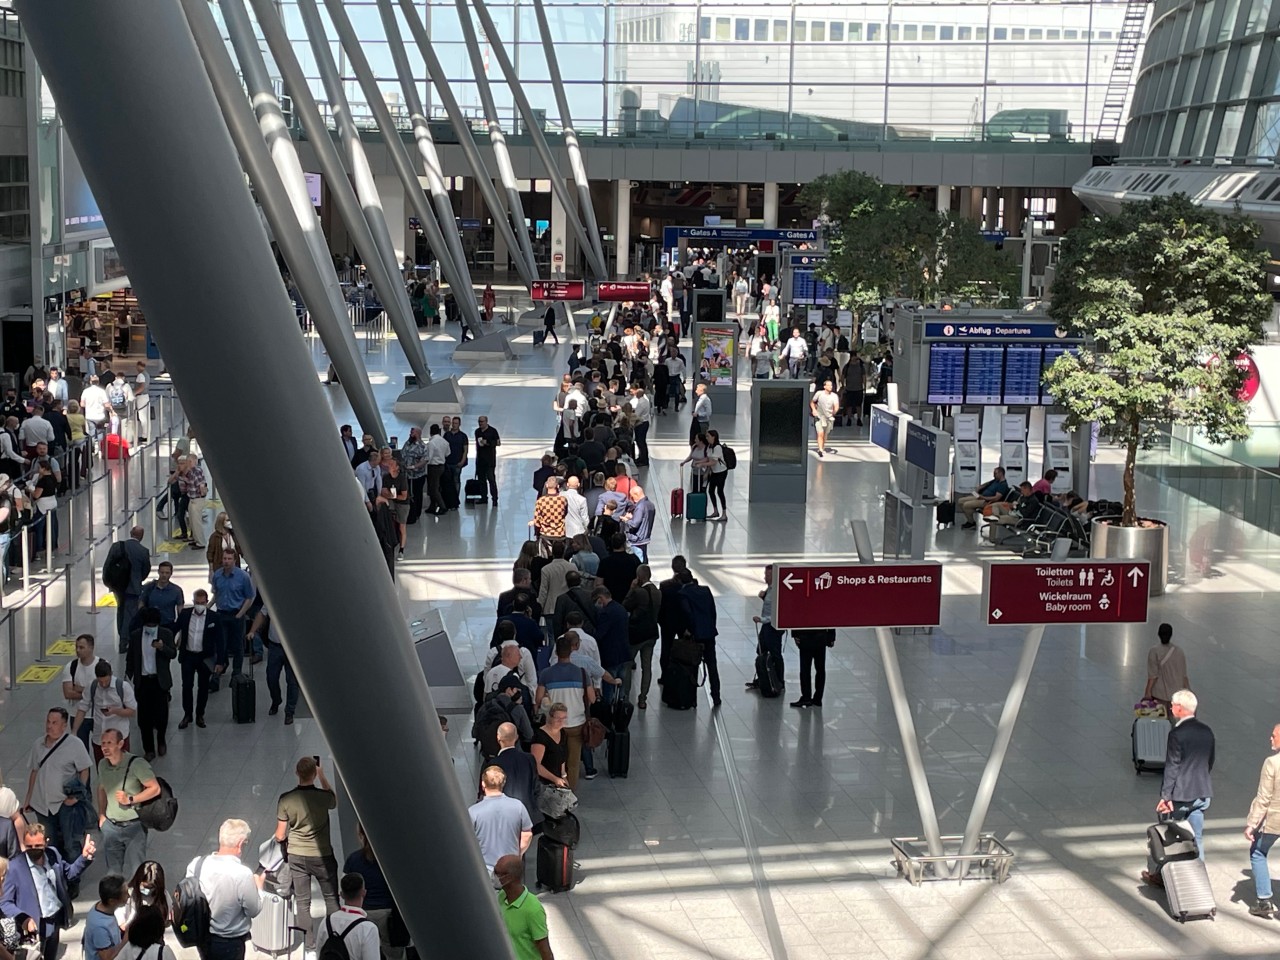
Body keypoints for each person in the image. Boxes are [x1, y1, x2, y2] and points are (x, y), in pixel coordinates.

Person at [1143, 689, 1215, 887]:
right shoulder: (1206, 730)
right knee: (1197, 836)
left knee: (1168, 835)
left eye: (1173, 705)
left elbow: (1172, 767)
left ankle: (1159, 874)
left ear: (1180, 709)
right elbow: (1210, 761)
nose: (1170, 707)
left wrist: (1166, 796)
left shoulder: (1177, 734)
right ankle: (1200, 877)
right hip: (1202, 792)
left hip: (1181, 795)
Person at [0, 823, 95, 960]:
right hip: (33, 928)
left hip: (55, 920)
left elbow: (68, 874)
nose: (33, 850)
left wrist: (84, 858)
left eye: (38, 846)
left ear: (46, 842)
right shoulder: (15, 868)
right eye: (29, 847)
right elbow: (5, 902)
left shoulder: (53, 854)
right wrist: (23, 918)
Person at [275, 757, 339, 951]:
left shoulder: (286, 799)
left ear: (296, 773)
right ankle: (334, 940)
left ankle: (309, 946)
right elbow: (333, 800)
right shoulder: (323, 797)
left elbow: (279, 835)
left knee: (303, 903)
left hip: (297, 856)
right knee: (331, 898)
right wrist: (322, 776)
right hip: (322, 855)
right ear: (313, 773)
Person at [186, 819, 265, 960]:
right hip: (230, 943)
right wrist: (259, 888)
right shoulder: (242, 874)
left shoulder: (196, 864)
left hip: (202, 937)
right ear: (240, 844)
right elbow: (253, 910)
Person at [22, 707, 92, 856]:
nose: (49, 726)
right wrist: (29, 798)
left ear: (64, 725)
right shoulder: (38, 744)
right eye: (48, 721)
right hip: (42, 804)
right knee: (48, 843)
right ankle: (54, 874)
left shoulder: (75, 744)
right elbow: (34, 771)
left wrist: (77, 796)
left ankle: (74, 876)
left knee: (71, 843)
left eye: (54, 722)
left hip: (65, 803)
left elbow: (84, 770)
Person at [95, 729, 159, 880]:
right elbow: (102, 788)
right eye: (103, 743)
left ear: (120, 744)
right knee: (113, 872)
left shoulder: (137, 764)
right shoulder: (103, 765)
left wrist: (130, 799)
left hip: (134, 825)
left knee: (138, 870)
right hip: (111, 825)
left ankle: (138, 900)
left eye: (109, 743)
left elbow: (155, 788)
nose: (105, 747)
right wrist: (102, 814)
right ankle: (115, 899)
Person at [534, 640, 596, 790]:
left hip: (554, 726)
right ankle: (570, 793)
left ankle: (555, 790)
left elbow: (538, 699)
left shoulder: (546, 673)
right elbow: (592, 698)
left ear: (556, 653)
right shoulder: (581, 673)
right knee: (573, 763)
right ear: (571, 652)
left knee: (554, 760)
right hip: (576, 724)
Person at [342, 826, 405, 960]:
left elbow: (346, 885)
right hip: (389, 914)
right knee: (394, 954)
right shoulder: (392, 858)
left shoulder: (353, 859)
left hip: (364, 913)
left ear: (360, 835)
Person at [124, 608, 176, 761]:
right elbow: (130, 658)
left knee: (161, 714)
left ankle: (161, 739)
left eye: (153, 625)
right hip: (143, 681)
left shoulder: (166, 634)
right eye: (148, 625)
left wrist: (162, 648)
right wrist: (128, 676)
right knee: (143, 718)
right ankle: (148, 749)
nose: (150, 628)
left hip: (160, 681)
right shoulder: (135, 636)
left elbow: (173, 654)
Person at [469, 767, 533, 881]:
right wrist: (518, 853)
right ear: (503, 783)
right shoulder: (518, 806)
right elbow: (527, 834)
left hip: (484, 868)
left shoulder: (474, 811)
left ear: (483, 784)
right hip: (510, 867)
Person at [1245, 723, 1280, 917]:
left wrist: (1252, 824)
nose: (1271, 738)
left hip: (1274, 820)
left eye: (1274, 735)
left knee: (1258, 851)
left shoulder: (1272, 763)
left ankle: (1264, 900)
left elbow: (1264, 797)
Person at [73, 660, 137, 762]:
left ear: (111, 674)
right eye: (100, 681)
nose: (103, 684)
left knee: (121, 770)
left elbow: (132, 712)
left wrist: (115, 711)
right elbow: (82, 708)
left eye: (106, 681)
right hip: (99, 738)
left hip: (119, 738)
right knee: (102, 771)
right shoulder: (92, 686)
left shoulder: (123, 687)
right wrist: (74, 731)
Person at [495, 854, 555, 960]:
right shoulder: (501, 896)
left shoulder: (533, 909)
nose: (494, 876)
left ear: (509, 877)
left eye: (497, 873)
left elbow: (545, 952)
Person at [210, 549, 255, 678]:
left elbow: (249, 597)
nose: (226, 561)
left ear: (235, 560)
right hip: (221, 614)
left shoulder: (243, 577)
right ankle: (221, 667)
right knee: (221, 643)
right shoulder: (217, 575)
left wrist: (240, 614)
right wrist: (208, 607)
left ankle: (236, 672)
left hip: (236, 614)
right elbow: (216, 594)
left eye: (229, 559)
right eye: (224, 558)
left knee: (238, 646)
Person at [488, 723, 541, 833]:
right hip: (526, 813)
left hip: (503, 818)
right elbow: (536, 788)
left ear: (498, 737)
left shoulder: (494, 764)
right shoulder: (529, 758)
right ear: (516, 737)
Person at [679, 570, 721, 707]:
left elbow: (688, 614)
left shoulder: (683, 594)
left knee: (692, 667)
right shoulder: (705, 590)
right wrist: (711, 626)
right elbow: (712, 611)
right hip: (709, 633)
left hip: (695, 636)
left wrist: (689, 631)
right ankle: (716, 696)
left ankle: (692, 699)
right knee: (712, 666)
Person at [105, 527, 151, 654]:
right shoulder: (143, 551)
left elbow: (107, 565)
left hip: (118, 586)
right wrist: (138, 580)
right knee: (129, 614)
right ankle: (124, 640)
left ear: (130, 533)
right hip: (133, 587)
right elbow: (146, 570)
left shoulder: (117, 546)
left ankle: (121, 634)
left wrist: (110, 583)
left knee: (120, 610)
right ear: (141, 537)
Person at [314, 874, 380, 960]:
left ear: (341, 894)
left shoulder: (327, 922)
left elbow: (319, 954)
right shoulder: (368, 928)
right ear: (363, 893)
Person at [174, 591, 213, 731]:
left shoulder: (213, 617)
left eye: (202, 603)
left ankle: (200, 714)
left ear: (207, 602)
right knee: (187, 686)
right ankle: (187, 714)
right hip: (188, 656)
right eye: (197, 603)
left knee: (203, 687)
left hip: (204, 657)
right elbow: (175, 628)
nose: (199, 606)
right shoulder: (185, 614)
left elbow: (220, 640)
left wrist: (220, 661)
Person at [622, 566, 660, 709]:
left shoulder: (637, 592)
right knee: (647, 667)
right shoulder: (657, 592)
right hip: (652, 633)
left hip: (636, 634)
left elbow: (625, 605)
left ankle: (625, 696)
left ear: (639, 577)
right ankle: (643, 698)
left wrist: (631, 588)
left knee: (628, 664)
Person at [253, 606, 299, 725]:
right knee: (271, 677)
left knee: (292, 681)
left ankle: (290, 711)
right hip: (275, 646)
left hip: (293, 647)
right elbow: (262, 614)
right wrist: (252, 630)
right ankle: (276, 700)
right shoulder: (272, 597)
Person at [61, 633, 106, 738]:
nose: (78, 650)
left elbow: (105, 691)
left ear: (91, 648)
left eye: (81, 647)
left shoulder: (102, 665)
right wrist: (92, 692)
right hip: (76, 714)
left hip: (98, 715)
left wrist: (79, 689)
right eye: (76, 647)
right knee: (80, 748)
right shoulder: (71, 667)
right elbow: (68, 693)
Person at [1143, 623, 1189, 719]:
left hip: (1160, 696)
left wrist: (1147, 692)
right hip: (1177, 697)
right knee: (1175, 725)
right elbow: (1184, 676)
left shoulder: (1154, 651)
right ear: (1171, 634)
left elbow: (1153, 676)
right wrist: (1188, 692)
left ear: (1158, 634)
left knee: (1160, 726)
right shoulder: (1179, 652)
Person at [83, 874, 129, 960]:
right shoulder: (100, 928)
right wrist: (125, 940)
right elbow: (107, 957)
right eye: (125, 893)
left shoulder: (100, 907)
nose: (128, 896)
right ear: (112, 901)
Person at [116, 860, 169, 929]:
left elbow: (167, 919)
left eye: (151, 887)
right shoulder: (128, 894)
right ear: (138, 881)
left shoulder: (163, 895)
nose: (147, 890)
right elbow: (121, 924)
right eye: (145, 886)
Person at [530, 704, 570, 791]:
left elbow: (562, 758)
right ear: (551, 717)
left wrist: (564, 776)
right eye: (558, 718)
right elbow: (536, 764)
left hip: (558, 780)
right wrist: (555, 779)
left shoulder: (562, 733)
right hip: (543, 783)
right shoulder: (540, 737)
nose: (561, 721)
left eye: (564, 718)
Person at [792, 629, 834, 708]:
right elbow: (830, 617)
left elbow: (796, 617)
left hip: (805, 636)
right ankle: (818, 698)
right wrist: (831, 637)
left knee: (805, 670)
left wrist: (795, 634)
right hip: (821, 637)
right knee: (820, 669)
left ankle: (806, 697)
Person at [139, 562, 183, 629]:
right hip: (150, 624)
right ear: (158, 572)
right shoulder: (149, 588)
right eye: (162, 572)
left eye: (167, 573)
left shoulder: (176, 591)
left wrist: (180, 628)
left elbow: (180, 611)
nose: (164, 575)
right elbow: (141, 603)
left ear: (171, 573)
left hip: (168, 625)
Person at [699, 431, 729, 522]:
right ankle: (715, 511)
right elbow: (708, 459)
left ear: (714, 437)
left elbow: (713, 462)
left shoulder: (717, 447)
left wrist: (702, 464)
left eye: (708, 436)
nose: (707, 438)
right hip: (714, 472)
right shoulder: (709, 447)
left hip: (721, 472)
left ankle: (724, 513)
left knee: (720, 491)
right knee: (711, 491)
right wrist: (705, 469)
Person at [443, 416, 469, 512]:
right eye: (453, 423)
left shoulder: (463, 436)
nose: (454, 425)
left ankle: (456, 501)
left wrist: (462, 461)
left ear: (459, 424)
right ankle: (449, 501)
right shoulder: (447, 435)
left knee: (456, 481)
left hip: (457, 463)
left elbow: (465, 450)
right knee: (448, 483)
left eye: (456, 423)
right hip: (448, 462)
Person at [474, 416, 501, 506]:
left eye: (482, 421)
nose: (480, 423)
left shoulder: (493, 431)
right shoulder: (477, 432)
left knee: (491, 479)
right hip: (480, 459)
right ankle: (483, 497)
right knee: (481, 480)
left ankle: (494, 499)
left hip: (489, 461)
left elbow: (498, 442)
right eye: (479, 422)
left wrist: (488, 442)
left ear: (486, 422)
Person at [810, 380, 840, 459]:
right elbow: (812, 402)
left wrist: (834, 412)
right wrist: (814, 410)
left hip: (829, 417)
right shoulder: (819, 394)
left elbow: (836, 406)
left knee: (825, 434)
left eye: (831, 385)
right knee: (820, 433)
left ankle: (822, 447)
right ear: (824, 386)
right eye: (829, 385)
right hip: (819, 416)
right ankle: (820, 449)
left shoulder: (834, 396)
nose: (830, 387)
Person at [424, 424, 449, 516]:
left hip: (433, 467)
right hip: (442, 465)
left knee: (433, 488)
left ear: (430, 432)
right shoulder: (444, 441)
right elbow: (447, 453)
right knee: (434, 486)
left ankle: (442, 506)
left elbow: (429, 457)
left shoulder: (432, 442)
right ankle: (432, 505)